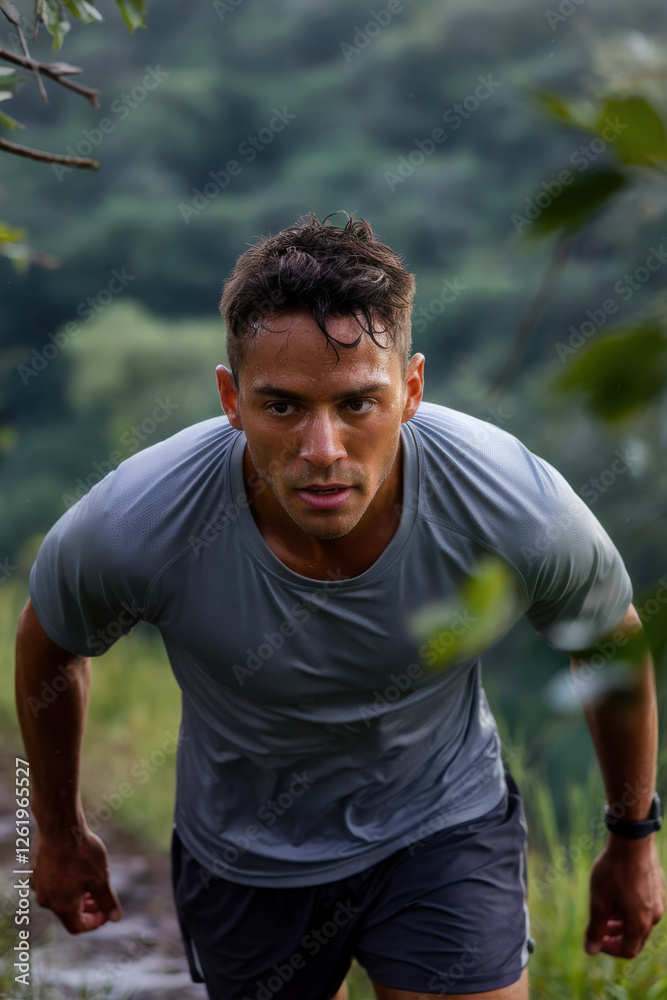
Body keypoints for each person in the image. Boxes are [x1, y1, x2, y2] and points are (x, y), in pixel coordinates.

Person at [16, 213, 664, 1000]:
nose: (322, 448)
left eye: (358, 403)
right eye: (282, 406)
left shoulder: (513, 505)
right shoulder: (137, 524)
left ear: (411, 390)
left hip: (441, 825)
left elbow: (607, 643)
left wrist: (632, 839)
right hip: (245, 857)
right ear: (230, 398)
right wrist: (55, 829)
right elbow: (52, 644)